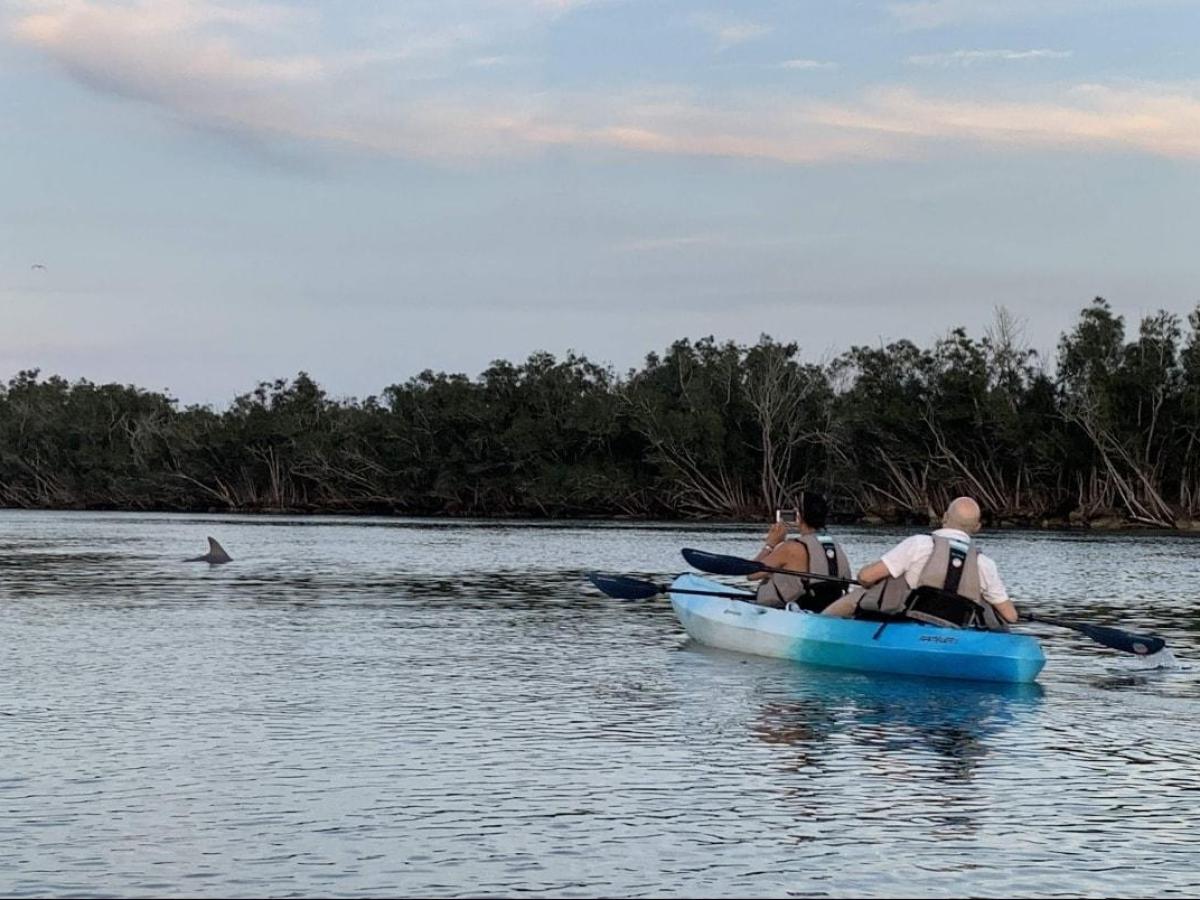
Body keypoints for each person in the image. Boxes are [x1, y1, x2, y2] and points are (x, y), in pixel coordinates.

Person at [821, 496, 1018, 629]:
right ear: (977, 527)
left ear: (944, 518)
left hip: (908, 622)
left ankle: (819, 624)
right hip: (954, 627)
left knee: (864, 591)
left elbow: (865, 577)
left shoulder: (918, 544)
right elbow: (1010, 616)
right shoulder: (985, 564)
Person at [748, 491, 853, 611]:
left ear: (799, 517)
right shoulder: (834, 545)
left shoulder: (790, 548)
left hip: (789, 612)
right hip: (826, 608)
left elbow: (751, 574)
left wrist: (770, 545)